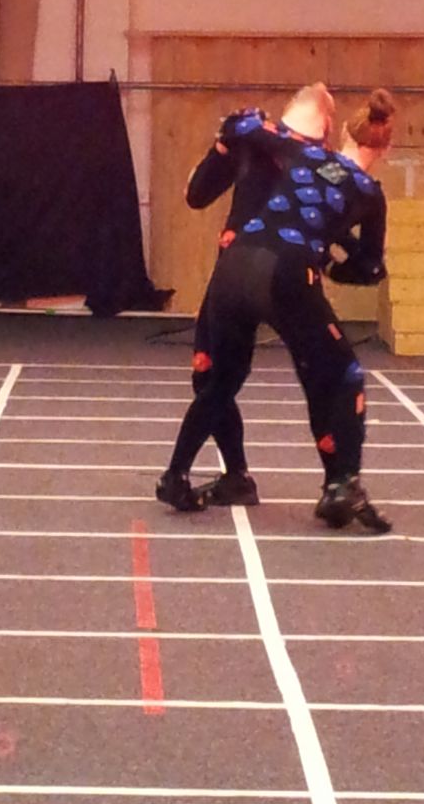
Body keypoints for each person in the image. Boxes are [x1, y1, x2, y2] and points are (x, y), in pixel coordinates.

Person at [156, 83, 395, 533]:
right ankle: (342, 482)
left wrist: (248, 123)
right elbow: (370, 268)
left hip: (233, 265)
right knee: (339, 374)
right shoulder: (367, 191)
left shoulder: (296, 151)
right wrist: (334, 263)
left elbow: (239, 129)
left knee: (219, 380)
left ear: (343, 132)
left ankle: (176, 474)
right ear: (383, 147)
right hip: (286, 272)